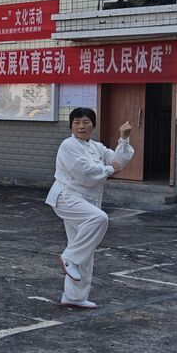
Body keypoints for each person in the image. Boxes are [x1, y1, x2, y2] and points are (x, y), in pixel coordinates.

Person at [45, 108, 133, 310]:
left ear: (93, 125)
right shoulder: (68, 145)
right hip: (66, 197)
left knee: (86, 249)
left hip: (86, 201)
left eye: (85, 122)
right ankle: (69, 257)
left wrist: (124, 139)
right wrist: (111, 169)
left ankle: (74, 296)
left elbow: (119, 160)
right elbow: (84, 172)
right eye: (76, 123)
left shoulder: (96, 146)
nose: (81, 126)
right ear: (70, 126)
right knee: (99, 219)